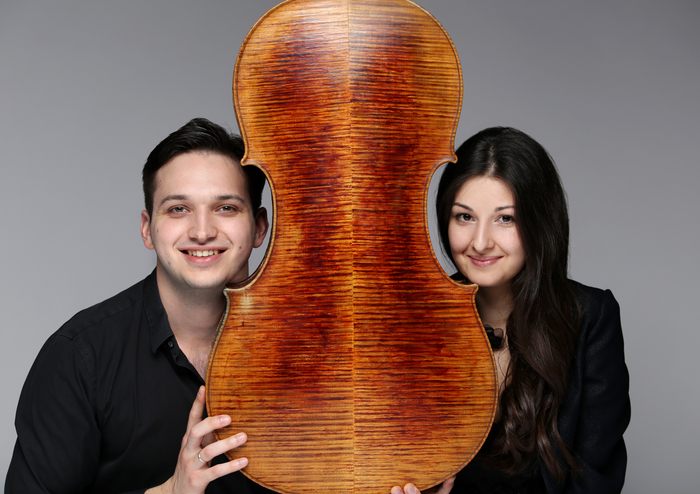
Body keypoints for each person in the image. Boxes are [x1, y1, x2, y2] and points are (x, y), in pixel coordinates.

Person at [5, 118, 275, 494]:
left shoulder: (315, 350)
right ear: (147, 229)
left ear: (259, 227)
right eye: (178, 209)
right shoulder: (79, 358)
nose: (202, 232)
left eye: (226, 208)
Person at [430, 127, 630, 494]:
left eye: (505, 218)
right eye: (464, 217)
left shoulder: (590, 318)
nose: (480, 242)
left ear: (539, 221)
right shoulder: (415, 315)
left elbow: (596, 477)